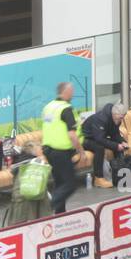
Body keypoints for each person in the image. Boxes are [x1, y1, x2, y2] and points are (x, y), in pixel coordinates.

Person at [41, 82, 83, 213]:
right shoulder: (66, 109)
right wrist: (81, 152)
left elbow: (51, 127)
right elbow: (72, 135)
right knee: (70, 184)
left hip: (48, 150)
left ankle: (60, 214)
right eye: (72, 91)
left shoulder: (49, 107)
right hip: (61, 152)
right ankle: (47, 207)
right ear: (66, 92)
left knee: (60, 183)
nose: (73, 93)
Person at [80, 102, 131, 189]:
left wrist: (122, 142)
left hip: (97, 137)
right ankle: (98, 179)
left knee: (119, 146)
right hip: (85, 139)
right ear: (114, 114)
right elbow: (99, 139)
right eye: (120, 117)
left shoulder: (117, 119)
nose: (121, 120)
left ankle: (120, 173)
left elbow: (115, 134)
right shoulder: (101, 119)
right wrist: (116, 146)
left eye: (123, 117)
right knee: (99, 148)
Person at [3, 141, 51, 226]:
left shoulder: (20, 163)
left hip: (18, 198)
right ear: (34, 150)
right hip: (32, 198)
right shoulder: (37, 162)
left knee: (18, 227)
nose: (42, 150)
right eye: (40, 147)